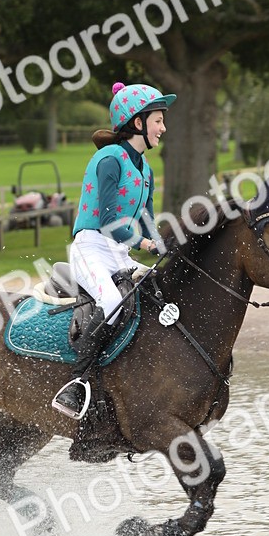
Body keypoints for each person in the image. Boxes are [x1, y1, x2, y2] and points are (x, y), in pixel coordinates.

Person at [51, 80, 176, 419]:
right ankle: (78, 383)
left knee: (159, 292)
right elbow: (107, 219)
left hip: (119, 253)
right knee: (111, 301)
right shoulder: (109, 159)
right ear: (138, 122)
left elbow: (147, 216)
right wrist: (145, 243)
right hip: (91, 247)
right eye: (158, 120)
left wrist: (164, 242)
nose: (163, 127)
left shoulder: (145, 169)